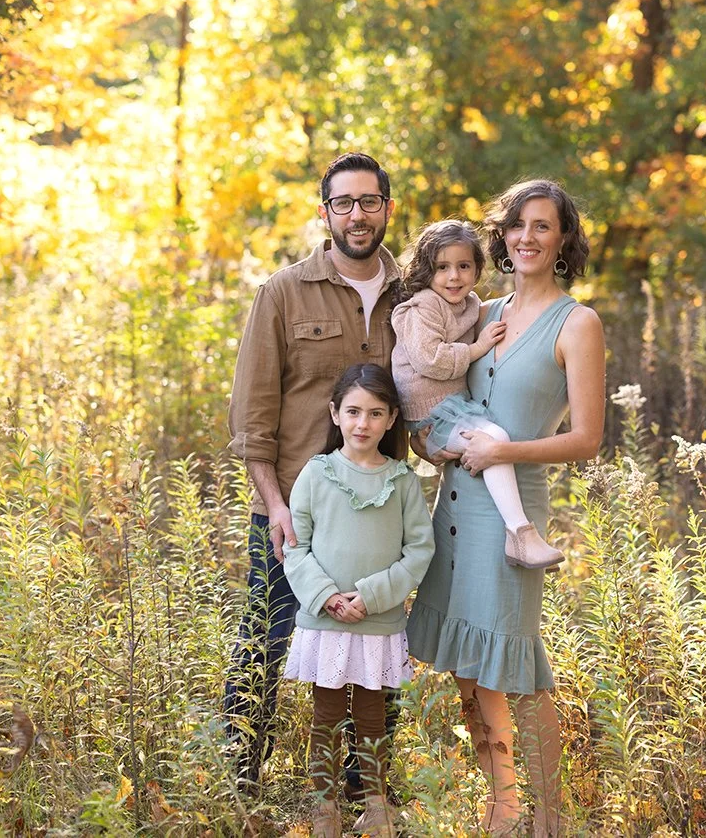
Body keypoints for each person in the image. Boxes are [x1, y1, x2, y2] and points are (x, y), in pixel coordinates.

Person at [406, 180, 606, 836]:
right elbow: (432, 382)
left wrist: (503, 453)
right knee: (469, 669)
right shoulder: (479, 309)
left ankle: (547, 821)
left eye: (543, 227)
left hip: (513, 515)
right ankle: (503, 809)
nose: (527, 237)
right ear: (503, 236)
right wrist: (425, 438)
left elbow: (587, 438)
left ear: (564, 241)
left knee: (515, 667)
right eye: (517, 225)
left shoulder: (578, 323)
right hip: (455, 507)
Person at [223, 152, 403, 795]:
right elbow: (253, 417)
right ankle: (240, 780)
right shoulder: (282, 292)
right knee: (266, 639)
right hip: (293, 512)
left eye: (369, 201)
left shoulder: (412, 296)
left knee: (375, 647)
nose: (358, 215)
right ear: (326, 212)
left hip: (380, 510)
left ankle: (365, 788)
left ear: (387, 207)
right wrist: (272, 504)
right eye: (344, 203)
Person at [282, 364, 434, 838]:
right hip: (325, 619)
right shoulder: (316, 473)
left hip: (376, 620)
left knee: (373, 715)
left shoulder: (403, 482)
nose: (362, 423)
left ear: (392, 420)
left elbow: (419, 551)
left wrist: (370, 597)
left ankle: (375, 803)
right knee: (326, 714)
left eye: (374, 413)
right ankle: (324, 805)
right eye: (352, 411)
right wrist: (327, 597)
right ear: (335, 413)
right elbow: (295, 547)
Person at [390, 219, 564, 570]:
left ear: (477, 269)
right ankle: (521, 534)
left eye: (464, 266)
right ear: (427, 271)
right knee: (494, 438)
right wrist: (478, 347)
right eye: (442, 268)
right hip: (429, 413)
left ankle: (519, 535)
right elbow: (432, 360)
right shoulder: (422, 307)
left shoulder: (470, 305)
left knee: (492, 441)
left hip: (453, 409)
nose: (454, 276)